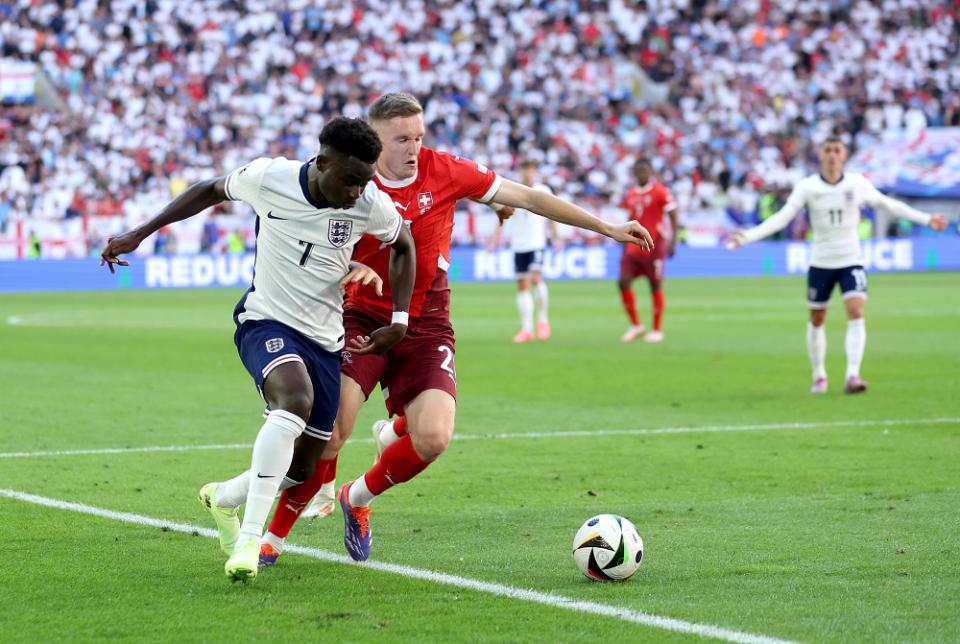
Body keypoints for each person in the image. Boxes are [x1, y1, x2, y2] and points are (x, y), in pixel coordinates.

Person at [258, 92, 654, 565]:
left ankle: (356, 497)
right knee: (332, 431)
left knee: (434, 439)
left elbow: (527, 196)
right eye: (401, 138)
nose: (413, 147)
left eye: (419, 136)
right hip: (357, 317)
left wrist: (607, 227)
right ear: (373, 140)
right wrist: (345, 272)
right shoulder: (343, 179)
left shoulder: (444, 170)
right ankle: (272, 539)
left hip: (426, 321)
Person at [99, 117, 416, 580]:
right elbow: (210, 190)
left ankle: (222, 498)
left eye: (364, 181)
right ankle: (249, 543)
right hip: (265, 320)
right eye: (349, 179)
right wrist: (141, 232)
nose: (356, 191)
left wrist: (400, 320)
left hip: (325, 340)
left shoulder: (368, 201)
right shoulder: (271, 177)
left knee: (303, 469)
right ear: (322, 162)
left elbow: (402, 244)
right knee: (294, 401)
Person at [727, 136, 947, 394]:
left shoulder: (857, 184)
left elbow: (889, 205)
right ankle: (819, 374)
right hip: (820, 261)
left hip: (851, 259)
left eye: (837, 150)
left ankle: (853, 374)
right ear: (821, 155)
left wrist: (926, 218)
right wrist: (748, 236)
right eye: (828, 150)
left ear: (844, 155)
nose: (832, 155)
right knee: (817, 318)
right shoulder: (807, 187)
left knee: (855, 310)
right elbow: (782, 218)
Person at [487, 159, 559, 343]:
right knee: (522, 285)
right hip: (519, 244)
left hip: (537, 243)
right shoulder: (513, 190)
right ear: (520, 171)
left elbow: (553, 214)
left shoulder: (543, 190)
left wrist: (556, 236)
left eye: (531, 169)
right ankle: (527, 329)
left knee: (535, 278)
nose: (528, 173)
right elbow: (503, 216)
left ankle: (543, 320)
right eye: (525, 169)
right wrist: (494, 241)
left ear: (535, 171)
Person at [618, 158, 679, 343]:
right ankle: (636, 325)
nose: (642, 173)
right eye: (639, 170)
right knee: (623, 282)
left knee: (655, 285)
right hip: (633, 247)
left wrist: (673, 239)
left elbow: (673, 215)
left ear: (651, 172)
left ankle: (656, 329)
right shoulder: (630, 194)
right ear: (635, 173)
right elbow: (628, 220)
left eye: (645, 170)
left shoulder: (660, 191)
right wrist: (623, 244)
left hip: (654, 245)